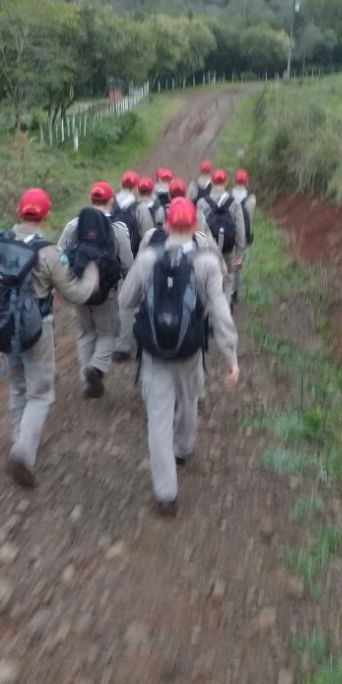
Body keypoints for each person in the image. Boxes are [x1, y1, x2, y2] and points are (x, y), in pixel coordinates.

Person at [0, 188, 99, 489]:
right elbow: (75, 294)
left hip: (1, 327)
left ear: (19, 212)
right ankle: (23, 453)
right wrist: (92, 276)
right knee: (40, 393)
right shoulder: (50, 253)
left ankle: (19, 439)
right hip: (36, 330)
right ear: (46, 215)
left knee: (17, 388)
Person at [119, 197, 239, 516]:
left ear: (167, 224)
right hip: (189, 351)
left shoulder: (147, 258)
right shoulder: (207, 264)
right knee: (188, 400)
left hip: (154, 354)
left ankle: (166, 494)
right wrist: (231, 356)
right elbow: (220, 311)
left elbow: (125, 300)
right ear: (196, 226)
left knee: (158, 418)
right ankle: (183, 449)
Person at [60, 182, 133, 394]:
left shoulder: (72, 226)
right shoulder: (118, 229)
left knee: (85, 333)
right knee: (107, 332)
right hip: (106, 292)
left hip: (78, 289)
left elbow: (59, 257)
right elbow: (127, 264)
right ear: (111, 200)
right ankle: (97, 368)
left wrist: (66, 283)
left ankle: (86, 379)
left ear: (91, 199)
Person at [197, 169, 246, 305]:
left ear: (212, 182)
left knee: (208, 282)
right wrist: (240, 253)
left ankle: (209, 311)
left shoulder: (202, 202)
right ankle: (226, 308)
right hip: (228, 250)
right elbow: (240, 229)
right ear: (226, 182)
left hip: (208, 251)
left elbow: (200, 229)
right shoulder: (234, 203)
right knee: (228, 280)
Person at [231, 168, 256, 305]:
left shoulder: (227, 196)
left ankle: (224, 289)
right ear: (246, 182)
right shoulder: (251, 200)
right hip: (243, 236)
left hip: (229, 234)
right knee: (237, 264)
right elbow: (250, 219)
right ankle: (234, 293)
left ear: (234, 181)